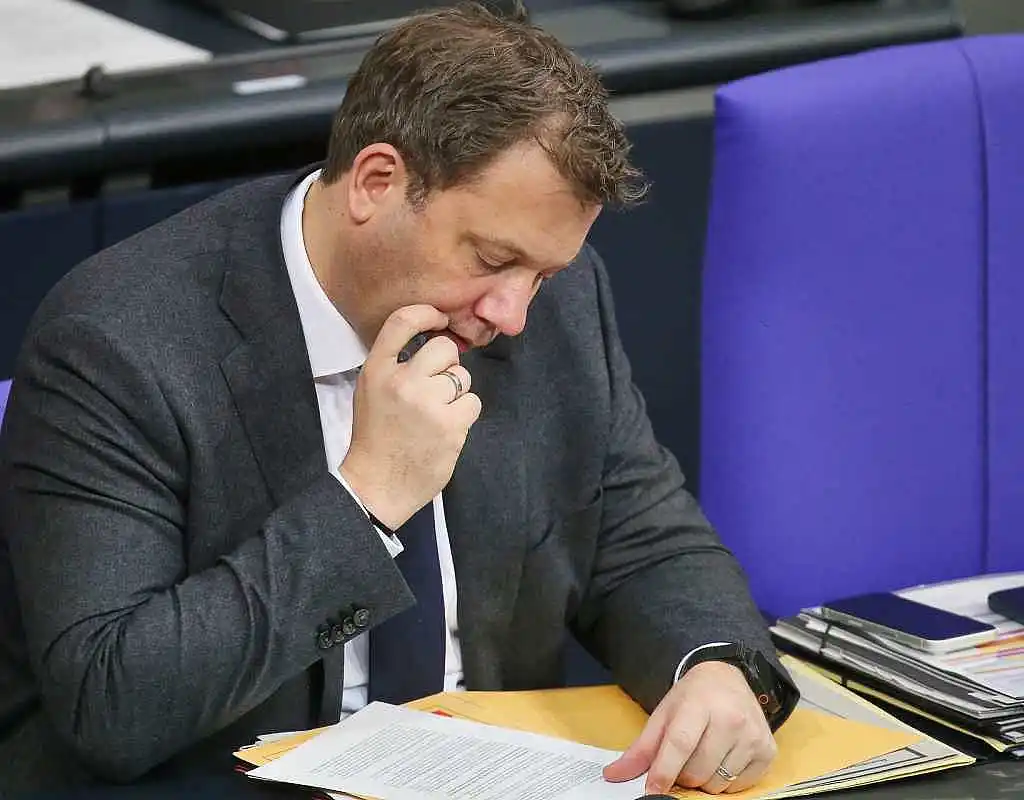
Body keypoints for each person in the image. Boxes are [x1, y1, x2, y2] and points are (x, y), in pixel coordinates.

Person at [0, 1, 797, 794]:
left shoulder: (553, 298)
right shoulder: (117, 344)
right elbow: (111, 703)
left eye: (543, 274)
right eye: (492, 259)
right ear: (376, 183)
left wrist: (714, 668)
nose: (513, 314)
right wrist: (368, 499)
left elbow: (642, 539)